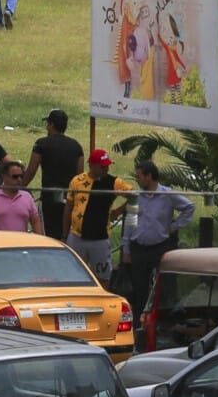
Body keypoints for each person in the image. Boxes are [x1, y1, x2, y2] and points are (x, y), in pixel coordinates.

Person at [126, 159, 194, 298]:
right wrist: (126, 249)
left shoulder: (167, 195)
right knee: (139, 287)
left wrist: (174, 226)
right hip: (138, 248)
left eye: (139, 176)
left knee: (162, 286)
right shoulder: (136, 196)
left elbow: (189, 207)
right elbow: (129, 222)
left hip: (159, 248)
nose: (137, 179)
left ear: (148, 176)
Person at [65, 148, 131, 282]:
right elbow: (68, 207)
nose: (106, 169)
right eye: (102, 166)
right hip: (76, 236)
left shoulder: (114, 182)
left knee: (103, 277)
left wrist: (118, 211)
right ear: (92, 165)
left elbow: (134, 195)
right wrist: (64, 234)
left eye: (107, 166)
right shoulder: (77, 181)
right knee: (72, 277)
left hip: (100, 239)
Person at [30, 110, 86, 241]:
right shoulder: (76, 146)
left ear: (51, 124)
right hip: (69, 200)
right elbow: (80, 176)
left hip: (48, 199)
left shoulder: (41, 143)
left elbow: (31, 171)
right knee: (66, 235)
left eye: (47, 124)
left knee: (48, 237)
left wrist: (20, 186)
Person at [0, 161, 40, 234]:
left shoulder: (27, 197)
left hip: (20, 241)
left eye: (21, 176)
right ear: (4, 176)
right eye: (15, 177)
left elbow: (36, 223)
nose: (19, 179)